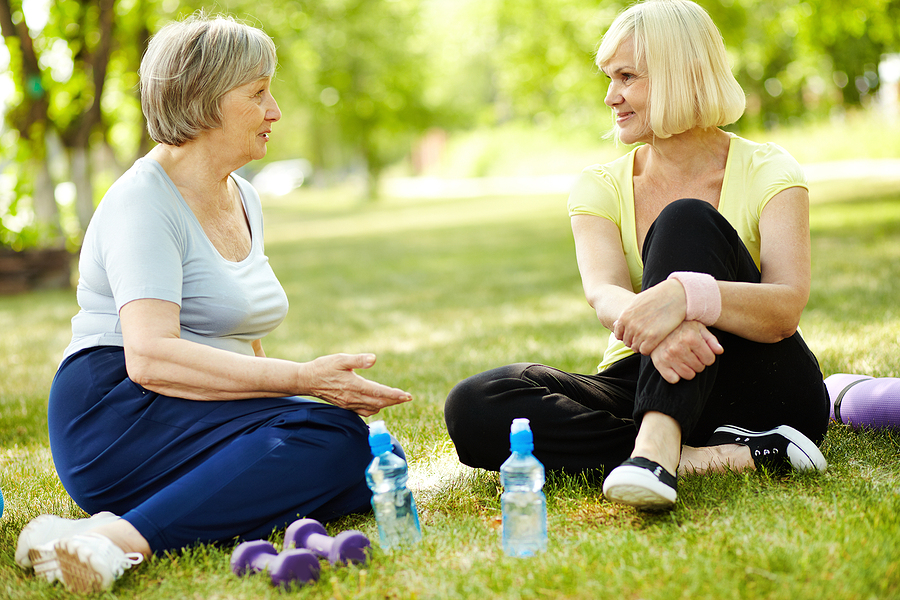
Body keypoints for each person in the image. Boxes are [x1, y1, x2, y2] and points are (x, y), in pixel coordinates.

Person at [16, 14, 412, 594]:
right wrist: (303, 381)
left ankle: (90, 529)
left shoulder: (243, 194)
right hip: (118, 411)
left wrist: (295, 399)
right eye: (257, 93)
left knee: (373, 463)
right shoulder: (142, 202)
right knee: (329, 437)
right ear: (202, 102)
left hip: (191, 404)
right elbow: (149, 358)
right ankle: (122, 540)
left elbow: (243, 338)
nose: (275, 110)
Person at [444, 0, 829, 511]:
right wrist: (665, 325)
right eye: (609, 78)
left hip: (759, 385)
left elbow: (784, 310)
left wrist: (684, 297)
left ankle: (652, 452)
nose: (610, 96)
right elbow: (603, 291)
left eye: (627, 76)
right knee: (475, 405)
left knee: (685, 219)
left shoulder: (769, 170)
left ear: (677, 75)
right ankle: (705, 456)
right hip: (646, 368)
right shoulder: (600, 185)